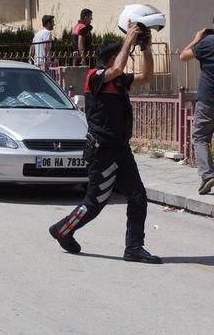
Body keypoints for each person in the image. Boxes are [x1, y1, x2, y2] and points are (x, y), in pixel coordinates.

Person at [49, 26, 161, 264]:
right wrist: (129, 39)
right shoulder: (95, 76)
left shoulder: (119, 81)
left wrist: (147, 48)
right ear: (113, 57)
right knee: (95, 202)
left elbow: (147, 76)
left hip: (121, 148)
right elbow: (118, 67)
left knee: (138, 196)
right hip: (103, 150)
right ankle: (63, 229)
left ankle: (134, 247)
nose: (126, 58)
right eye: (123, 53)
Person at [179, 28, 214, 195]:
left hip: (208, 99)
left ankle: (207, 176)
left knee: (200, 138)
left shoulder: (207, 43)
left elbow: (183, 56)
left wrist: (196, 39)